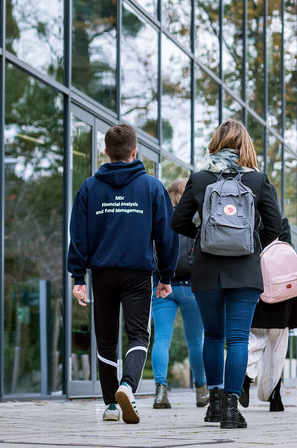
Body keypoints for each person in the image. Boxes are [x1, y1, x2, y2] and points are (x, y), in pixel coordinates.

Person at [171, 119, 282, 429]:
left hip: (207, 270)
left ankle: (215, 404)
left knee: (213, 335)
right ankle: (231, 409)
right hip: (245, 269)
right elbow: (275, 226)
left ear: (215, 144)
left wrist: (206, 235)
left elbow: (178, 224)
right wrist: (249, 240)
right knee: (237, 339)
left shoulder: (199, 179)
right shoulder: (258, 181)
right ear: (245, 146)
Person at [67, 123, 178, 424]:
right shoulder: (153, 188)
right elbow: (166, 236)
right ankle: (128, 386)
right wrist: (166, 277)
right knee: (139, 334)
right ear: (134, 151)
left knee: (106, 339)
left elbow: (78, 235)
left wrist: (78, 278)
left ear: (105, 152)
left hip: (102, 273)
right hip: (137, 273)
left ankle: (111, 406)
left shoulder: (89, 188)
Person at [151, 179, 208, 410]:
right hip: (190, 287)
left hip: (162, 286)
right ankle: (202, 391)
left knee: (162, 339)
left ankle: (160, 392)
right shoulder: (195, 223)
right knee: (196, 341)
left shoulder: (160, 221)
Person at [241, 217, 297, 412]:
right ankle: (274, 395)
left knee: (254, 340)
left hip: (257, 288)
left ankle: (245, 378)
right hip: (282, 291)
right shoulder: (281, 222)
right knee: (278, 346)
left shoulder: (248, 221)